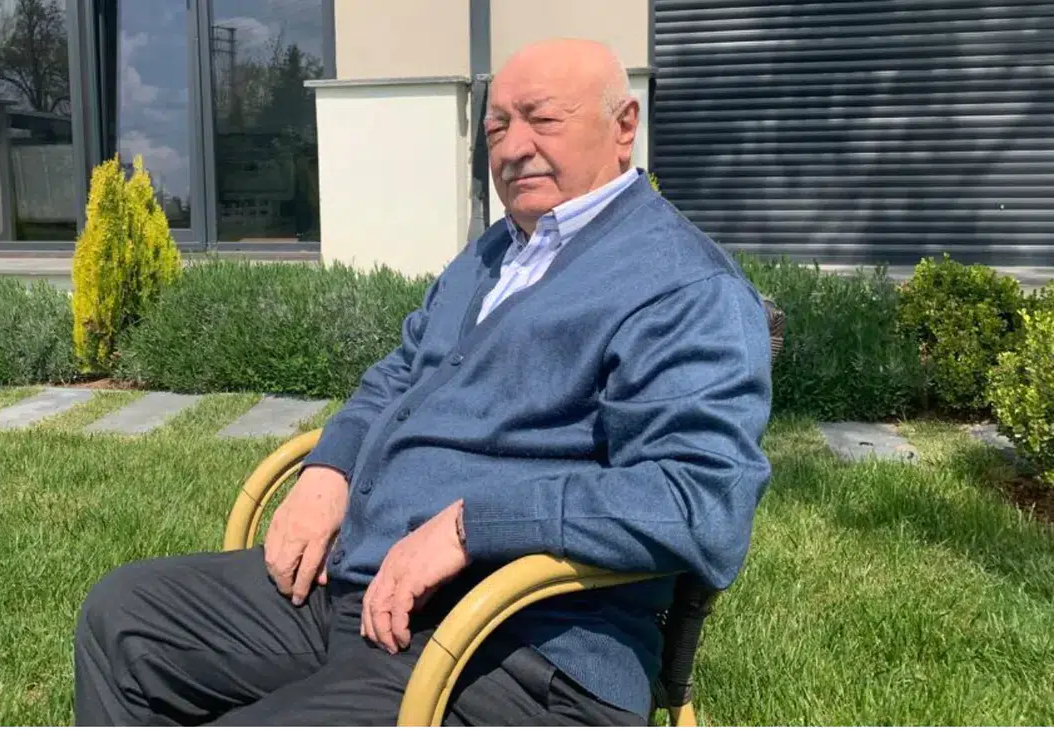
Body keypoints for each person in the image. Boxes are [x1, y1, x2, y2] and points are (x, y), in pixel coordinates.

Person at [74, 37, 773, 726]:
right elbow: (398, 376)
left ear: (624, 126)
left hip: (518, 650)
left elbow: (699, 501)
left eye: (543, 119)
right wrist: (330, 468)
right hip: (363, 590)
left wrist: (473, 527)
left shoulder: (683, 287)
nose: (513, 146)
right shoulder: (493, 254)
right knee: (123, 621)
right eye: (497, 126)